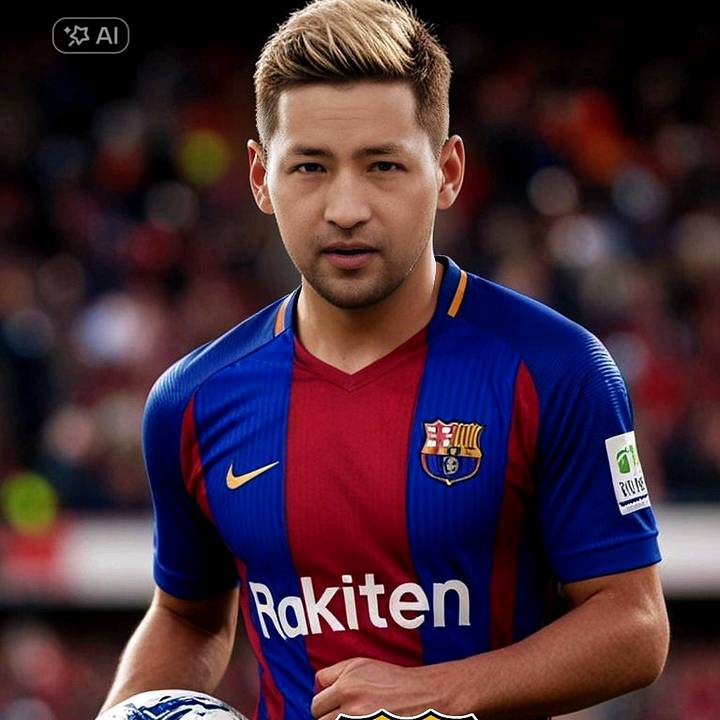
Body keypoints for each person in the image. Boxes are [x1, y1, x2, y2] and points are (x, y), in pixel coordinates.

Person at [99, 1, 670, 719]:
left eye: (383, 166)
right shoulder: (192, 401)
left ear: (448, 171)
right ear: (260, 177)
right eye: (310, 166)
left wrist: (437, 694)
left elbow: (635, 624)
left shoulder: (556, 368)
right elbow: (188, 615)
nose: (346, 208)